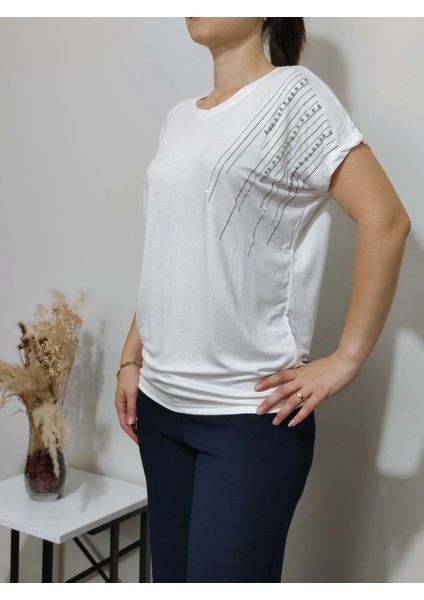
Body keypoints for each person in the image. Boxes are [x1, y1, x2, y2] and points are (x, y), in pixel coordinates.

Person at [115, 17, 410, 583]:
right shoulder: (179, 117)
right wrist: (132, 357)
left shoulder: (295, 96)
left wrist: (346, 359)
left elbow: (387, 220)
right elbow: (174, 253)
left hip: (246, 418)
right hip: (160, 407)